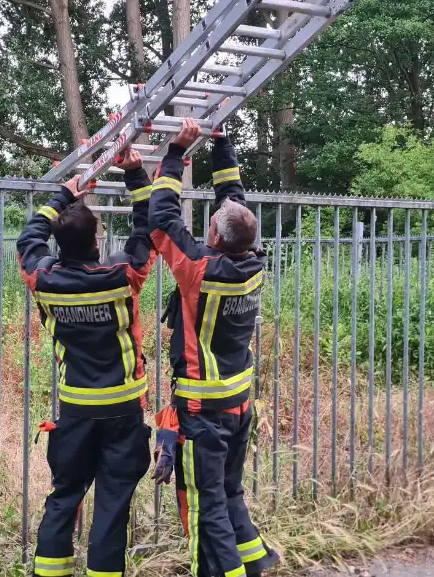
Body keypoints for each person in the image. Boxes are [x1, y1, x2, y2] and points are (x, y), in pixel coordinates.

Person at [17, 147, 157, 577]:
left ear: (59, 245)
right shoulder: (121, 277)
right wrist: (135, 172)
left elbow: (28, 239)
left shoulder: (43, 280)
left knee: (64, 495)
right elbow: (146, 230)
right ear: (97, 242)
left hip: (75, 408)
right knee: (113, 501)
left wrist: (62, 195)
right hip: (122, 408)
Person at [149, 119, 279, 577]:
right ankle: (256, 563)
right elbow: (234, 198)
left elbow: (162, 219)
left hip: (204, 410)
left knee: (208, 507)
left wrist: (175, 152)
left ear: (216, 238)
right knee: (229, 491)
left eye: (209, 226)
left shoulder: (202, 271)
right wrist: (220, 142)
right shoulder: (254, 262)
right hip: (238, 403)